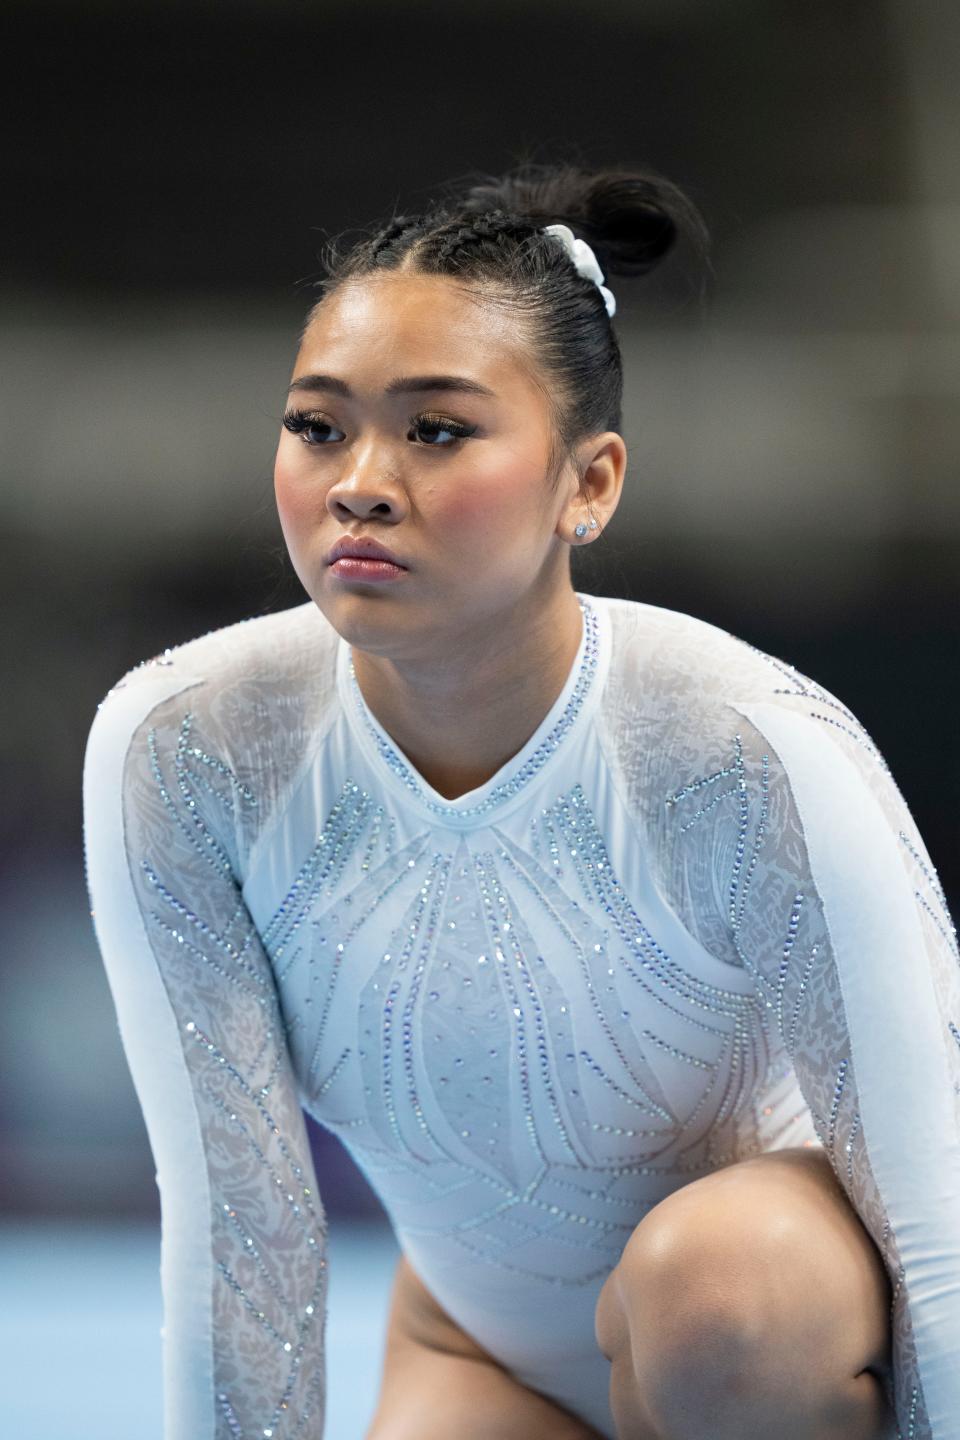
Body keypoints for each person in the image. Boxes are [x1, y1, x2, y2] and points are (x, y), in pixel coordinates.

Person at [82, 160, 959, 1440]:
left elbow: (940, 1228)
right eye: (318, 425)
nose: (360, 482)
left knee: (716, 1294)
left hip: (779, 1340)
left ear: (588, 485)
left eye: (438, 430)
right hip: (486, 1355)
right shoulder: (183, 749)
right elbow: (242, 1224)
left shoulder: (744, 749)